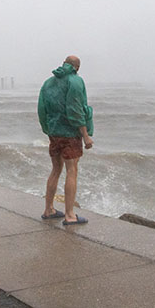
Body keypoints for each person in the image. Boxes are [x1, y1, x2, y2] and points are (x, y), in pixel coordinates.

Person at [38, 55, 94, 225]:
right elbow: (75, 109)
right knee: (72, 170)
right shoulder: (75, 81)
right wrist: (85, 135)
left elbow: (42, 109)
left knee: (56, 169)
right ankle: (70, 215)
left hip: (54, 132)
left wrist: (48, 130)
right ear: (76, 67)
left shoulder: (48, 82)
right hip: (70, 133)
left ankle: (48, 209)